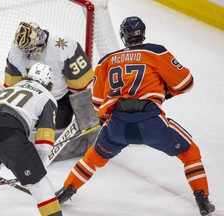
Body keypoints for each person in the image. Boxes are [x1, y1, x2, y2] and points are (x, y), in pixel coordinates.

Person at [55, 16, 215, 216]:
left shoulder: (106, 61)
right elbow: (186, 83)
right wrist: (164, 92)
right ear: (143, 33)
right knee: (190, 153)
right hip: (151, 123)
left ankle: (66, 190)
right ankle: (202, 199)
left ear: (123, 36)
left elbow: (97, 102)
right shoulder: (155, 52)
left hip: (117, 126)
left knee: (93, 158)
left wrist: (105, 116)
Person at [0, 63, 62, 216]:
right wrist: (35, 169)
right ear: (49, 83)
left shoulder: (7, 89)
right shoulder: (47, 97)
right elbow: (44, 145)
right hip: (9, 134)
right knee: (39, 184)